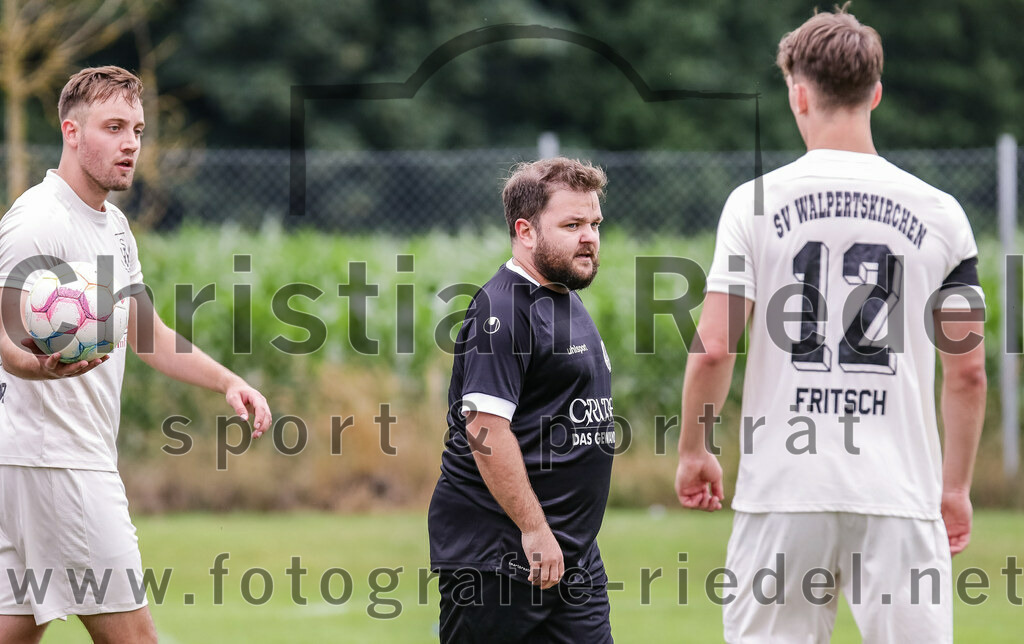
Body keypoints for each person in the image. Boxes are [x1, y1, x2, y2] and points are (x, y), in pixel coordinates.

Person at [674, 8, 986, 643]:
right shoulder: (942, 214)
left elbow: (713, 346)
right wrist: (953, 487)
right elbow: (969, 373)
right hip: (899, 492)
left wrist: (693, 448)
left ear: (798, 92)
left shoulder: (753, 202)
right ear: (876, 92)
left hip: (785, 489)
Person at [0, 66, 271, 643]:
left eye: (138, 130)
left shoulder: (114, 227)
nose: (130, 144)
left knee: (15, 629)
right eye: (114, 127)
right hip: (59, 462)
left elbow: (147, 334)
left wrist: (227, 381)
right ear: (71, 132)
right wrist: (32, 364)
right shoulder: (37, 221)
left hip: (33, 459)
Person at [428, 157, 615, 643]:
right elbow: (485, 429)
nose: (589, 237)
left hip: (571, 558)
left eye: (594, 223)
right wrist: (534, 531)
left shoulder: (565, 298)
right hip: (501, 557)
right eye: (572, 225)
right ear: (525, 231)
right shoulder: (503, 308)